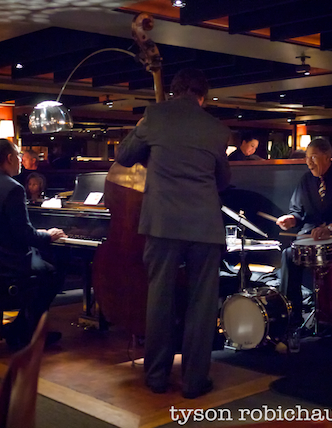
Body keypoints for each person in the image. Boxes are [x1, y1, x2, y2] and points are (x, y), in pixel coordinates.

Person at [116, 68, 231, 399]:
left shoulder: (155, 115)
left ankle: (156, 377)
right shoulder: (216, 128)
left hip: (163, 224)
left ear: (174, 91)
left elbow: (124, 156)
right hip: (205, 226)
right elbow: (223, 181)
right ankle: (194, 382)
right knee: (201, 306)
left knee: (160, 299)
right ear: (202, 97)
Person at [0, 138, 67, 349]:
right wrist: (47, 235)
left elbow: (3, 227)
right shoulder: (13, 188)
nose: (21, 159)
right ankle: (30, 332)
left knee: (43, 266)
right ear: (10, 158)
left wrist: (36, 233)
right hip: (3, 262)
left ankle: (20, 327)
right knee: (54, 273)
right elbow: (24, 235)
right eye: (18, 155)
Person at [276, 137, 332, 328]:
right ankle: (292, 315)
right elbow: (297, 211)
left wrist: (331, 227)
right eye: (307, 158)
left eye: (313, 157)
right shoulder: (306, 180)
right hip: (310, 235)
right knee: (288, 255)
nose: (309, 163)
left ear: (327, 156)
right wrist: (291, 219)